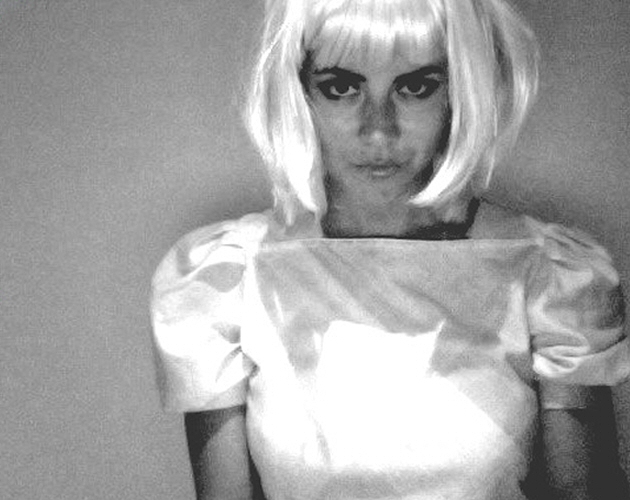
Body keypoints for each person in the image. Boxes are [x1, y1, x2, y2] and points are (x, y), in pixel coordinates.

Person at [150, 0, 630, 498]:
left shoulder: (550, 277)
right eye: (340, 87)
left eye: (415, 87)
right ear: (297, 90)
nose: (378, 128)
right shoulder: (226, 279)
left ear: (460, 88)